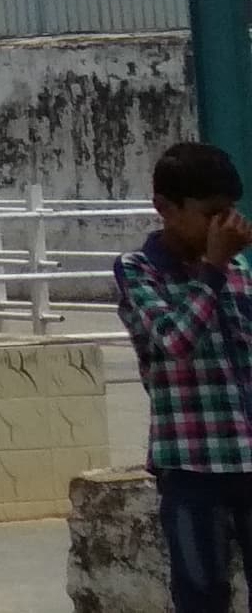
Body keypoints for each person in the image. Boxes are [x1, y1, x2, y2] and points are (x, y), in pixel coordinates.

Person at [120, 139, 252, 610]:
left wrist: (223, 265)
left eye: (230, 212)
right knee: (200, 593)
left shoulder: (240, 269)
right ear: (165, 208)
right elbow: (174, 341)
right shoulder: (139, 272)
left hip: (247, 454)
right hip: (192, 466)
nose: (224, 225)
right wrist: (213, 268)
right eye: (212, 213)